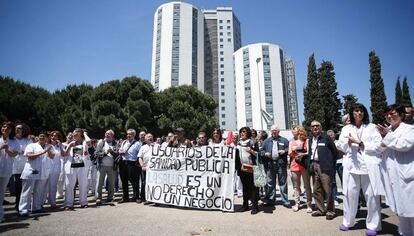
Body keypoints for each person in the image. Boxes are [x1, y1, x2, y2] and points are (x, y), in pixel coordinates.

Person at [338, 103, 384, 235]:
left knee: (372, 196)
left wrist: (361, 143)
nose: (359, 113)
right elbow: (341, 145)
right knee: (349, 194)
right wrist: (347, 143)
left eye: (361, 111)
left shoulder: (372, 127)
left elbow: (379, 146)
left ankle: (373, 225)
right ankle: (348, 221)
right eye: (356, 111)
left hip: (368, 165)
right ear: (352, 113)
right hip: (351, 165)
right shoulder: (346, 129)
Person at [376, 104, 414, 235]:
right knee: (401, 209)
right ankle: (404, 233)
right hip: (393, 176)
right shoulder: (389, 131)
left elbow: (405, 145)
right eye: (387, 115)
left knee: (411, 208)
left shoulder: (410, 129)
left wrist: (387, 136)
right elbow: (379, 149)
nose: (390, 116)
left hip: (406, 175)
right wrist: (384, 137)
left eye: (393, 113)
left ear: (402, 115)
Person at [306, 120, 337, 220]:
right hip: (314, 165)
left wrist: (330, 163)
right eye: (313, 126)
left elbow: (335, 152)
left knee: (327, 190)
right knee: (316, 189)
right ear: (311, 128)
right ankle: (320, 209)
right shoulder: (310, 139)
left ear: (320, 127)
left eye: (317, 126)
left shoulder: (326, 138)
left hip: (325, 167)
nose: (315, 128)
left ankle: (330, 211)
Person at [19, 131, 54, 216]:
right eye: (41, 136)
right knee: (27, 191)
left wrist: (48, 151)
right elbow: (30, 156)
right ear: (38, 137)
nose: (42, 138)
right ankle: (23, 210)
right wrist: (44, 151)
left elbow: (52, 157)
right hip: (31, 171)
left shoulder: (49, 146)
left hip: (42, 172)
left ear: (47, 138)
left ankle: (36, 207)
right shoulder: (31, 145)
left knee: (39, 191)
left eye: (44, 136)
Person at [261, 125, 290, 208]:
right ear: (270, 132)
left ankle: (285, 200)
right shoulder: (266, 141)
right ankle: (270, 200)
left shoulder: (284, 140)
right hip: (269, 164)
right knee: (270, 183)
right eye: (272, 130)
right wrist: (265, 153)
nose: (274, 132)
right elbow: (261, 150)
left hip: (281, 164)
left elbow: (289, 148)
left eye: (276, 130)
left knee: (283, 183)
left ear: (278, 131)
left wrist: (284, 151)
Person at [63, 128, 92, 210]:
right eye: (74, 132)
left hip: (82, 165)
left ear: (80, 134)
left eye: (77, 133)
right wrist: (70, 146)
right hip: (72, 165)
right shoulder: (71, 142)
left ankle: (84, 202)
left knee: (83, 185)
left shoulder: (84, 142)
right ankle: (68, 204)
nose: (75, 134)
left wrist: (85, 134)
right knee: (69, 185)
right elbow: (65, 154)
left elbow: (89, 141)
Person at [288, 125, 312, 213]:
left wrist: (298, 149)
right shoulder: (291, 141)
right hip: (294, 165)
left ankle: (309, 204)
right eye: (292, 130)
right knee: (296, 186)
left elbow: (309, 152)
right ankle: (297, 203)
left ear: (299, 130)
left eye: (294, 129)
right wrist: (293, 150)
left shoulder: (306, 140)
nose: (293, 131)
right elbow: (290, 153)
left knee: (307, 185)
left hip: (304, 165)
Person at [236, 127, 259, 214]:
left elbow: (258, 154)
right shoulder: (239, 142)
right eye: (241, 132)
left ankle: (255, 207)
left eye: (244, 131)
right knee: (245, 187)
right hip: (242, 168)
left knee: (253, 188)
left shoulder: (253, 142)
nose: (242, 133)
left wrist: (252, 151)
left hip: (252, 168)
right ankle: (245, 205)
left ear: (248, 133)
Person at [94, 129, 119, 205]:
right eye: (106, 134)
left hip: (112, 166)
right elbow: (96, 153)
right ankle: (98, 197)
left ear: (112, 135)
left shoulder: (115, 143)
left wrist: (112, 152)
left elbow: (118, 154)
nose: (107, 135)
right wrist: (105, 153)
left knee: (111, 183)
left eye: (109, 134)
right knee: (99, 182)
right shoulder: (101, 143)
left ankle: (110, 197)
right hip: (102, 165)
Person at [12, 123, 32, 211]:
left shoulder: (28, 140)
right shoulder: (12, 140)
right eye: (16, 128)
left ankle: (25, 205)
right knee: (18, 187)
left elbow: (30, 151)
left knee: (26, 187)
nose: (17, 130)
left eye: (19, 128)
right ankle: (17, 204)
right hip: (15, 166)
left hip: (26, 166)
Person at [118, 129, 142, 203]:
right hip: (123, 163)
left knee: (134, 181)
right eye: (127, 134)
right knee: (124, 181)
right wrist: (121, 152)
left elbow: (140, 154)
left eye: (130, 134)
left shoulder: (137, 143)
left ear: (134, 135)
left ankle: (136, 197)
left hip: (132, 164)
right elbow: (120, 150)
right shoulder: (124, 142)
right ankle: (125, 197)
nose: (128, 135)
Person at [0, 122, 17, 222]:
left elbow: (14, 154)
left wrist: (7, 151)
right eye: (3, 126)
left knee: (1, 193)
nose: (5, 128)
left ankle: (0, 215)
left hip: (6, 170)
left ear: (11, 130)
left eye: (8, 127)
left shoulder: (13, 141)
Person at [45, 131, 65, 209]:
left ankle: (52, 202)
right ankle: (41, 201)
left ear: (58, 138)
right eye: (52, 135)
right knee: (43, 185)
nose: (53, 137)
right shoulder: (46, 145)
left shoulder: (60, 145)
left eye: (56, 136)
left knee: (53, 186)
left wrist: (60, 146)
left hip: (56, 168)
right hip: (45, 167)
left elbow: (63, 155)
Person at [137, 133, 155, 205]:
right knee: (145, 183)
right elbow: (140, 157)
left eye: (151, 136)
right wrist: (142, 166)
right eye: (148, 137)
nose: (150, 138)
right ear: (145, 139)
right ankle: (145, 198)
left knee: (154, 183)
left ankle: (155, 199)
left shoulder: (157, 146)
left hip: (155, 169)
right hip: (146, 168)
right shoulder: (143, 147)